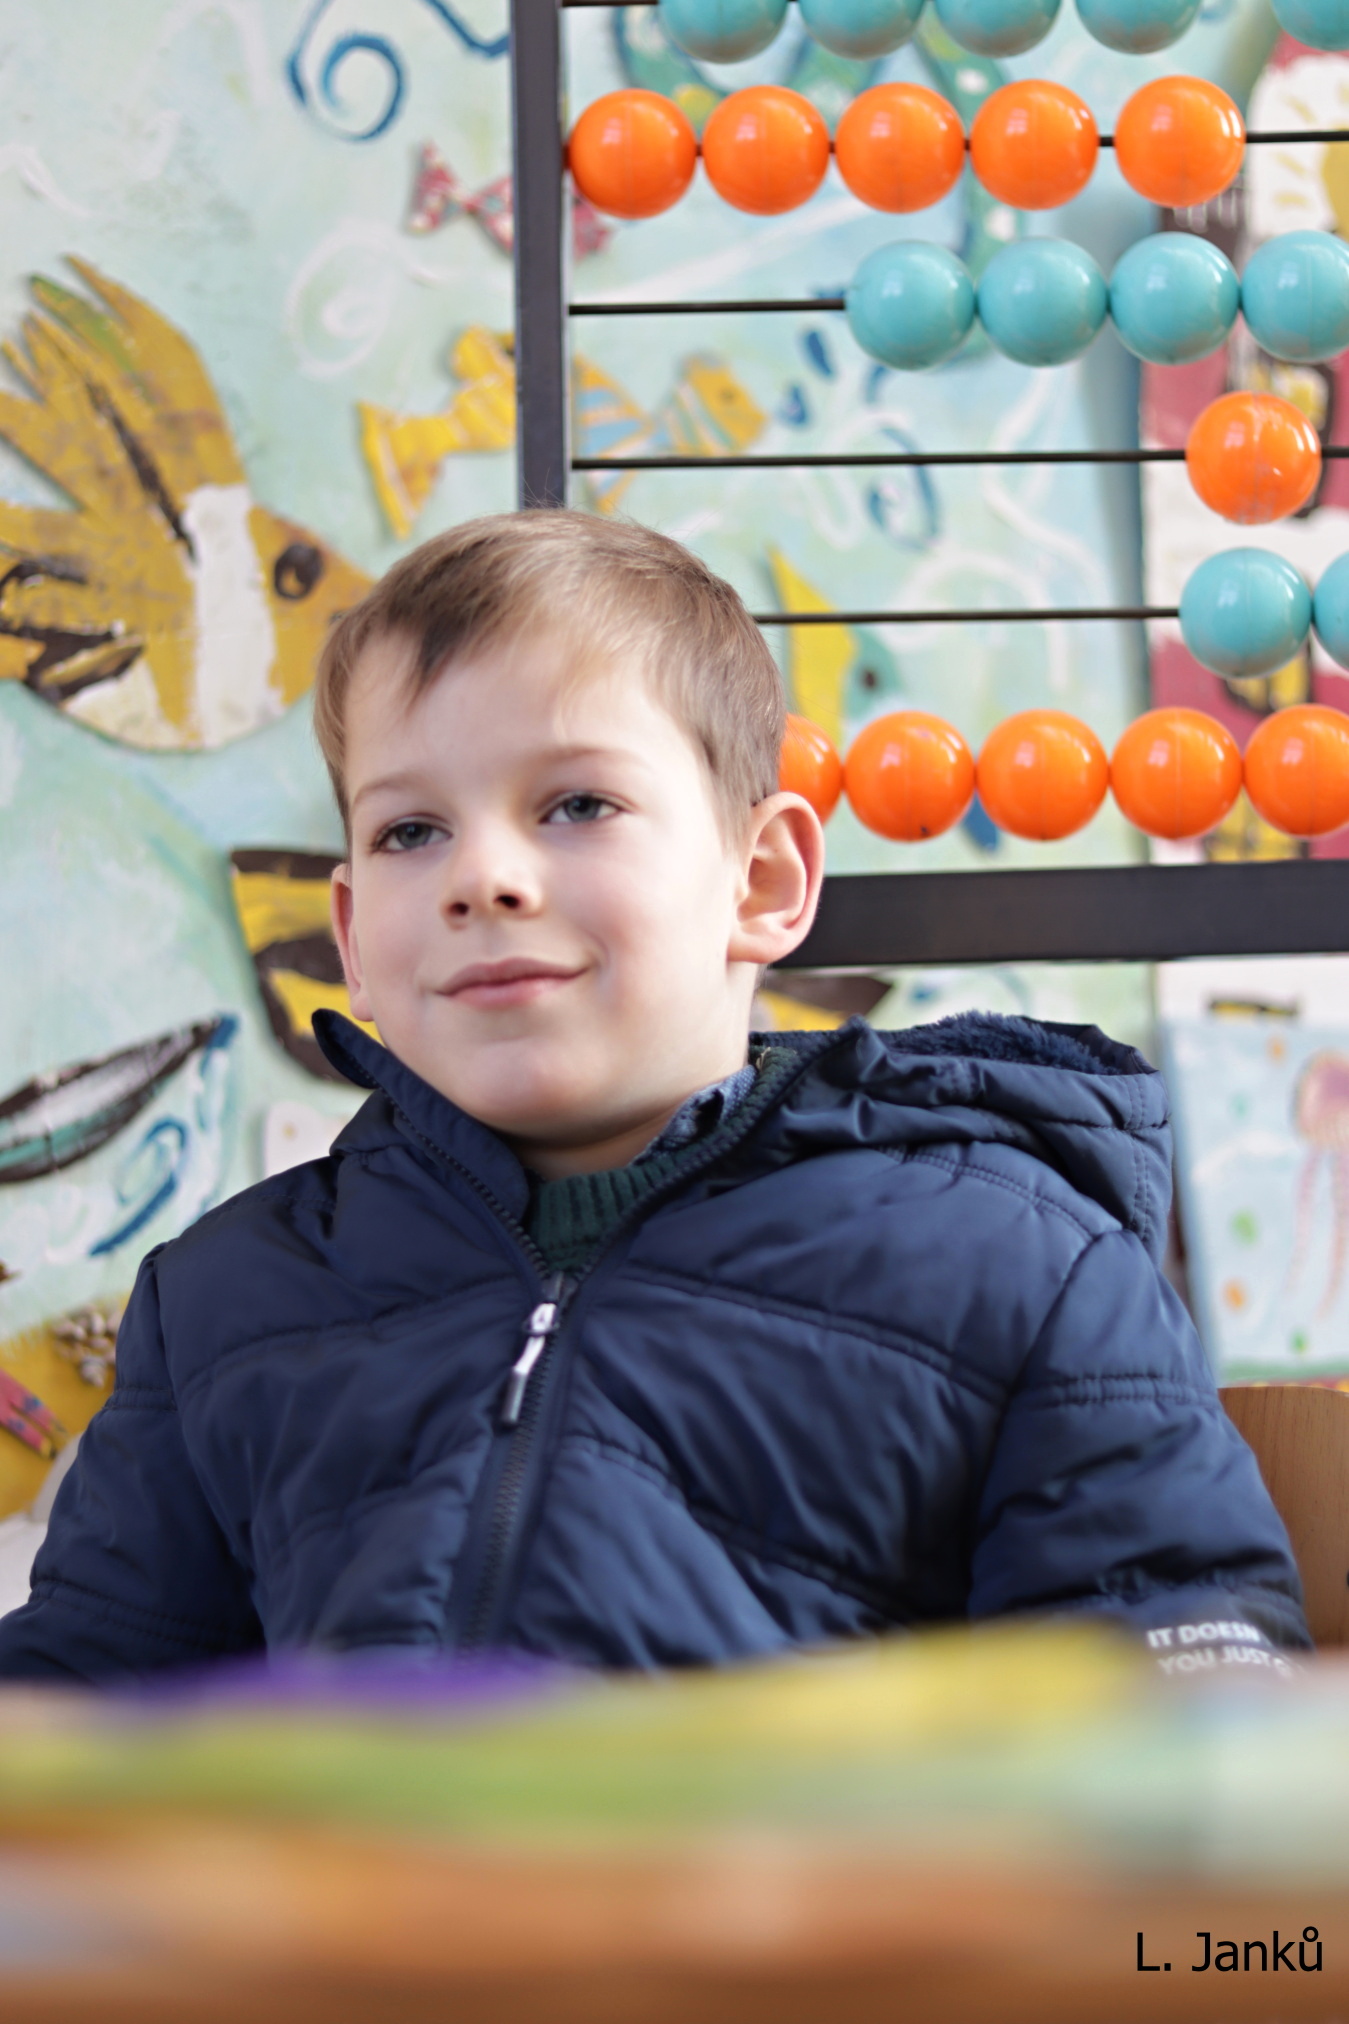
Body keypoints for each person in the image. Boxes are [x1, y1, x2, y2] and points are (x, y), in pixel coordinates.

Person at [0, 511, 1308, 1680]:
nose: (482, 877)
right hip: (361, 1889)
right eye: (411, 831)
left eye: (576, 804)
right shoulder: (225, 1298)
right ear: (349, 932)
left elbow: (1180, 1694)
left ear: (761, 882)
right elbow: (86, 1707)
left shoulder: (1020, 1262)